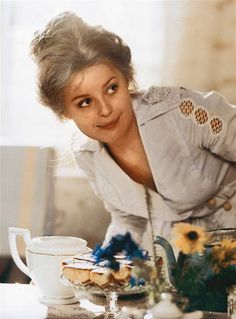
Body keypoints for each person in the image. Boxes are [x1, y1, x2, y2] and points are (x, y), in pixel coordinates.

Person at [30, 11, 236, 249]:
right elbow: (126, 219)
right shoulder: (86, 153)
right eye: (85, 102)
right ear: (64, 112)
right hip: (185, 262)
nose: (105, 109)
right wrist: (105, 264)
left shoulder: (182, 112)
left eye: (111, 89)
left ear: (127, 79)